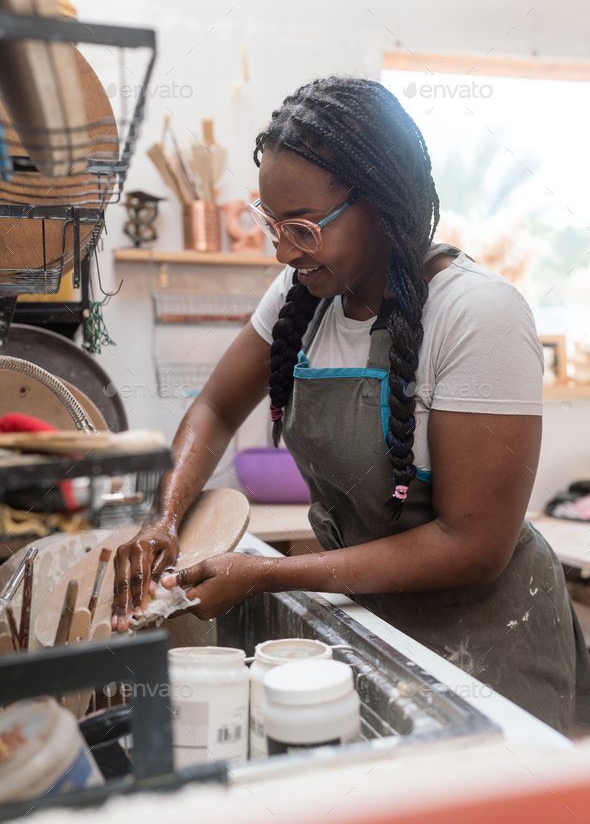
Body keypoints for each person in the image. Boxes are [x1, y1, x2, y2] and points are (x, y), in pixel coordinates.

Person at [112, 76, 590, 733]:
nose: (283, 252)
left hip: (487, 648)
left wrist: (268, 574)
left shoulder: (477, 313)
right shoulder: (299, 297)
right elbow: (214, 411)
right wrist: (165, 515)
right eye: (271, 226)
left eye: (304, 229)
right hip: (376, 623)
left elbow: (474, 544)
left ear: (383, 204)